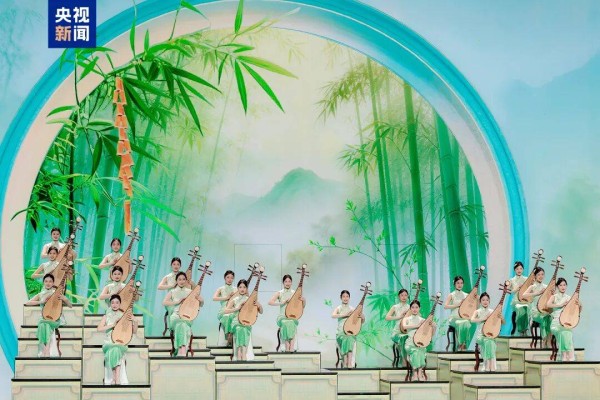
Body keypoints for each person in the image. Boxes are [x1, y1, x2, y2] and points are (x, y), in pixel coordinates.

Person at [25, 273, 72, 357]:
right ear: (43, 282)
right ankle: (46, 348)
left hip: (54, 319)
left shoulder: (57, 293)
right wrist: (41, 301)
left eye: (50, 281)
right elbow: (28, 302)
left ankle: (45, 349)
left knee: (44, 324)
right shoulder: (41, 294)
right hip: (43, 318)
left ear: (53, 283)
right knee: (43, 324)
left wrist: (65, 299)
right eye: (46, 281)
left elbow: (70, 305)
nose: (48, 283)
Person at [97, 294, 138, 385]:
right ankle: (116, 379)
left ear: (120, 304)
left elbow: (134, 331)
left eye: (117, 303)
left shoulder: (124, 316)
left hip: (120, 342)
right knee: (113, 349)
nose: (114, 305)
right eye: (112, 303)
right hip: (108, 342)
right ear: (110, 304)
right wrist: (112, 325)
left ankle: (115, 378)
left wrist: (135, 321)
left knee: (116, 349)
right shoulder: (106, 316)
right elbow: (99, 329)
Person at [162, 272, 203, 356]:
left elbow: (200, 304)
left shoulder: (190, 292)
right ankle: (183, 349)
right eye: (179, 279)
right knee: (182, 325)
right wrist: (177, 302)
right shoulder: (172, 292)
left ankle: (180, 349)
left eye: (184, 279)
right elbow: (164, 302)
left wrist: (201, 300)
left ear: (186, 281)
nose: (181, 281)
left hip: (187, 316)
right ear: (176, 281)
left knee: (183, 325)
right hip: (176, 316)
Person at [225, 279, 263, 361]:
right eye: (240, 287)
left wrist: (259, 305)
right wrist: (237, 308)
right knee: (239, 329)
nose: (242, 289)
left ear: (246, 289)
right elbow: (226, 311)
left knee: (245, 330)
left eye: (244, 287)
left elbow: (261, 312)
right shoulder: (234, 300)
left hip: (246, 322)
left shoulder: (250, 299)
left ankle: (244, 354)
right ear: (238, 288)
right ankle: (239, 355)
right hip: (236, 322)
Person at [268, 274, 306, 352]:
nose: (287, 283)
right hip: (282, 317)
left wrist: (304, 300)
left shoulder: (294, 293)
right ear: (283, 282)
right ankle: (287, 345)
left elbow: (302, 306)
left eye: (289, 281)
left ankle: (291, 346)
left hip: (292, 316)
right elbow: (270, 302)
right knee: (285, 323)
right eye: (286, 281)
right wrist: (282, 302)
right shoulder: (279, 293)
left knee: (291, 322)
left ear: (291, 282)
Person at [548, 278, 580, 361]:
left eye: (564, 285)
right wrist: (560, 305)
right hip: (555, 323)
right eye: (561, 285)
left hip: (564, 322)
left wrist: (579, 305)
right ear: (557, 286)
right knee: (563, 332)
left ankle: (566, 356)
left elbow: (576, 311)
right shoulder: (554, 296)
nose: (563, 287)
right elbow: (548, 305)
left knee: (567, 332)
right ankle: (568, 356)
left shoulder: (569, 298)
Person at [471, 292, 503, 371]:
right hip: (481, 335)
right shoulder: (477, 311)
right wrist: (483, 318)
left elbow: (502, 322)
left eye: (487, 300)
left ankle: (488, 365)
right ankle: (489, 365)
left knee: (490, 342)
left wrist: (501, 317)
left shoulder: (492, 311)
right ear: (480, 301)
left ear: (489, 301)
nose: (485, 302)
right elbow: (472, 320)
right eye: (483, 300)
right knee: (488, 341)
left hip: (490, 335)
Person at [331, 290, 364, 368]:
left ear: (349, 298)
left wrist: (363, 318)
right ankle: (346, 361)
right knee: (345, 337)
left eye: (347, 296)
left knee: (349, 337)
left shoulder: (352, 309)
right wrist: (345, 315)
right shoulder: (338, 308)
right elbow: (333, 315)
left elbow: (359, 322)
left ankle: (348, 362)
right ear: (341, 298)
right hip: (340, 332)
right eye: (343, 296)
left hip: (350, 331)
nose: (345, 298)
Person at [402, 300, 433, 381]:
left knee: (419, 351)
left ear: (419, 308)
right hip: (410, 344)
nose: (414, 309)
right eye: (412, 307)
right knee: (416, 351)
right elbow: (404, 327)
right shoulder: (406, 319)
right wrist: (417, 326)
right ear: (410, 309)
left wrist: (433, 326)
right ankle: (417, 372)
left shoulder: (423, 320)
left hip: (420, 343)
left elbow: (429, 334)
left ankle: (417, 372)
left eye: (416, 307)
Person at [523, 267, 551, 347]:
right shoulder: (532, 287)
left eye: (542, 274)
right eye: (538, 274)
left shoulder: (546, 287)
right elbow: (524, 295)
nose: (541, 276)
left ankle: (548, 340)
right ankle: (544, 340)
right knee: (544, 318)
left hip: (543, 311)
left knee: (549, 318)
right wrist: (537, 293)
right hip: (535, 312)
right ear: (535, 276)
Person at [444, 276, 472, 351]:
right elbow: (445, 306)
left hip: (463, 317)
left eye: (461, 283)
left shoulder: (466, 295)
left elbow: (470, 307)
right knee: (460, 323)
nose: (460, 285)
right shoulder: (451, 295)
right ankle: (460, 343)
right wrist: (458, 305)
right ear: (454, 284)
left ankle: (463, 343)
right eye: (458, 283)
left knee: (466, 322)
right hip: (454, 317)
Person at [385, 289, 410, 366]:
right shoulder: (395, 307)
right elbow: (387, 317)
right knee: (402, 338)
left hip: (407, 331)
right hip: (397, 332)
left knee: (409, 337)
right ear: (399, 297)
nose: (404, 297)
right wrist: (399, 317)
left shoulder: (410, 307)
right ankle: (404, 360)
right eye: (402, 295)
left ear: (408, 296)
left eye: (405, 295)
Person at [157, 257, 182, 332]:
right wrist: (171, 286)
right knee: (173, 309)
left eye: (178, 264)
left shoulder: (183, 276)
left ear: (180, 266)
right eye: (174, 264)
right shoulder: (168, 277)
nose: (176, 266)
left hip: (181, 299)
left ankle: (183, 328)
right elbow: (159, 287)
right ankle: (173, 329)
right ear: (171, 265)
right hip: (171, 300)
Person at [213, 270, 236, 346]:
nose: (230, 279)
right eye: (228, 277)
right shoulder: (221, 288)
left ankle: (230, 336)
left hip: (233, 309)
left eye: (232, 278)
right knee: (227, 316)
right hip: (224, 310)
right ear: (224, 278)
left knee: (232, 316)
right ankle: (228, 336)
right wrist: (226, 298)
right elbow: (214, 298)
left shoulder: (236, 289)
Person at [509, 261, 530, 336]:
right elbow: (510, 291)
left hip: (524, 300)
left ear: (523, 269)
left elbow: (530, 289)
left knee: (527, 308)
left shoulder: (526, 279)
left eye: (521, 268)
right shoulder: (511, 280)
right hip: (516, 301)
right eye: (517, 269)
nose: (519, 270)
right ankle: (521, 330)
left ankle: (525, 329)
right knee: (520, 309)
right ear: (514, 270)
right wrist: (517, 288)